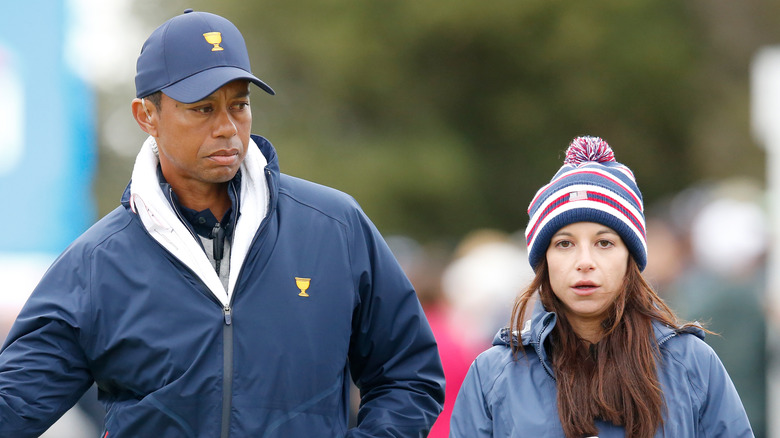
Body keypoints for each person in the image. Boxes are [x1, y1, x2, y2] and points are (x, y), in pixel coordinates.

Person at [0, 10, 444, 437]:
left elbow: (409, 374)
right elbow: (14, 405)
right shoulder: (97, 263)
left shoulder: (335, 227)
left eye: (239, 105)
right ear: (146, 116)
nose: (228, 127)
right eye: (203, 109)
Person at [450, 136, 753, 437]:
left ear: (629, 258)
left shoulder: (691, 363)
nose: (585, 261)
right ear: (544, 260)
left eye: (604, 243)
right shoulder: (494, 374)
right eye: (564, 244)